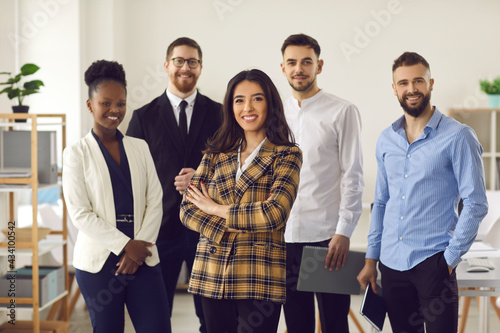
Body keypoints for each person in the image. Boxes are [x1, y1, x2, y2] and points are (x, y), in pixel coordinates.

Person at [357, 51, 489, 333]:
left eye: (418, 81)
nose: (411, 89)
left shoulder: (458, 136)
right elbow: (380, 203)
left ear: (431, 83)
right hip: (391, 265)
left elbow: (476, 203)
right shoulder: (386, 139)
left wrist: (449, 260)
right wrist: (371, 260)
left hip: (434, 263)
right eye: (403, 83)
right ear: (394, 89)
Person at [179, 69, 302, 333]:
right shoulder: (216, 151)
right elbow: (188, 209)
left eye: (257, 99)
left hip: (259, 273)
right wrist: (231, 225)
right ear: (230, 106)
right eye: (239, 100)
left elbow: (274, 214)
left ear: (270, 104)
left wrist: (214, 208)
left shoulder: (287, 154)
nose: (247, 107)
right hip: (212, 272)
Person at [62, 60, 171, 333]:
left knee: (157, 328)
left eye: (121, 104)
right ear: (90, 105)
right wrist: (125, 245)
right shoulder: (76, 153)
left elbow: (155, 201)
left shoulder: (139, 147)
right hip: (99, 262)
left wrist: (137, 250)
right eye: (106, 103)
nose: (115, 110)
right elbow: (80, 213)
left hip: (143, 255)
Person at [126, 37, 221, 332]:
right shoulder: (144, 116)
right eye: (179, 61)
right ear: (166, 66)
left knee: (211, 316)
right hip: (159, 231)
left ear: (201, 68)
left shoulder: (220, 114)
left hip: (206, 230)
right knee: (157, 315)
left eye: (192, 62)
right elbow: (132, 176)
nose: (185, 67)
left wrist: (203, 177)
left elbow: (234, 169)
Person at [279, 33, 364, 333]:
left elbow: (353, 175)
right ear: (283, 67)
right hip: (284, 238)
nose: (299, 69)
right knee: (296, 325)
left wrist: (343, 232)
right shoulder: (276, 114)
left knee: (334, 324)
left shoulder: (342, 111)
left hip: (327, 239)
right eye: (292, 62)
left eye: (306, 62)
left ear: (319, 65)